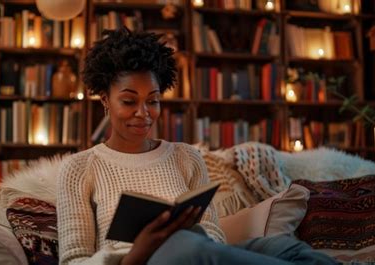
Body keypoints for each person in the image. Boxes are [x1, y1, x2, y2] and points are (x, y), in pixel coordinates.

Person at [57, 27, 337, 265]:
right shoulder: (79, 168)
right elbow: (73, 261)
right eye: (129, 101)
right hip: (147, 261)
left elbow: (214, 235)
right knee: (188, 247)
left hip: (200, 254)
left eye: (152, 101)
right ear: (105, 99)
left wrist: (189, 228)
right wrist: (138, 252)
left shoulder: (186, 157)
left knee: (286, 248)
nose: (143, 113)